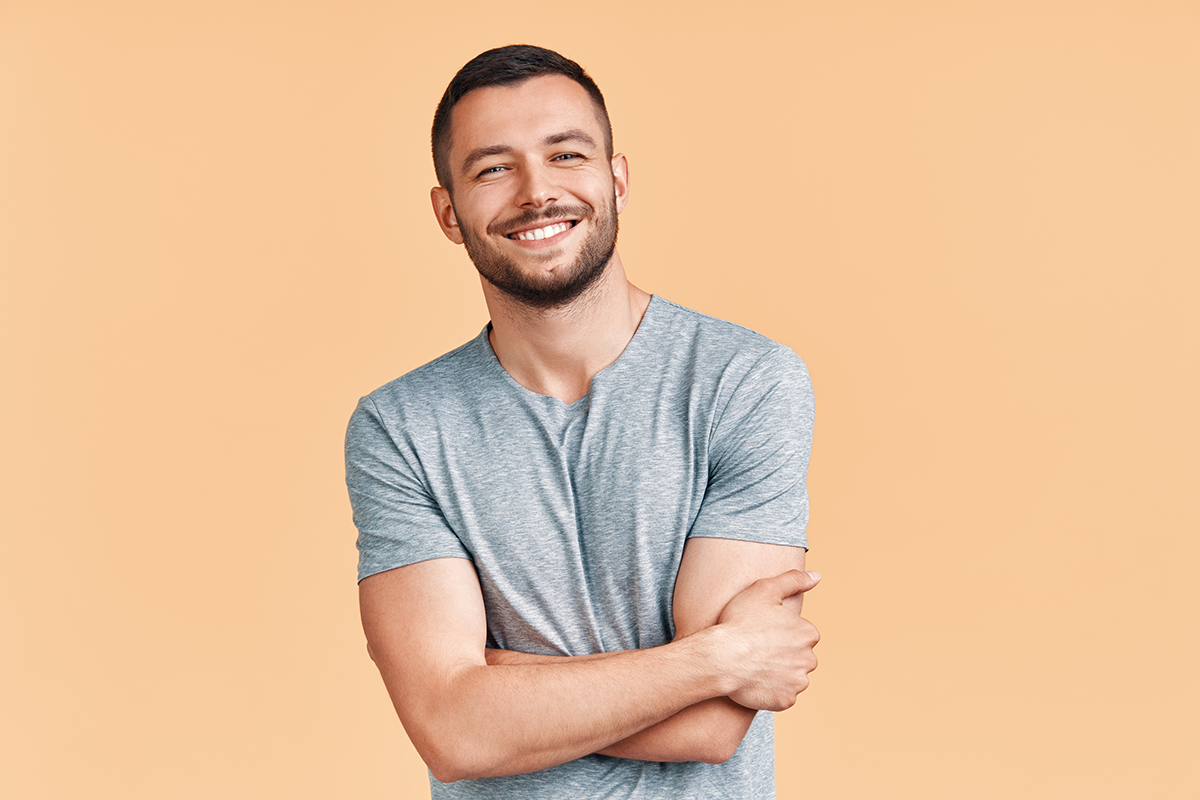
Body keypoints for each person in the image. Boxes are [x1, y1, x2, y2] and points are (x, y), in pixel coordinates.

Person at [345, 44, 820, 799]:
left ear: (617, 179)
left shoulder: (744, 380)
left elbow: (713, 728)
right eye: (493, 168)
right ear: (447, 212)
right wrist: (717, 658)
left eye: (567, 154)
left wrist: (487, 686)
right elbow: (451, 732)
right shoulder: (401, 427)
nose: (538, 192)